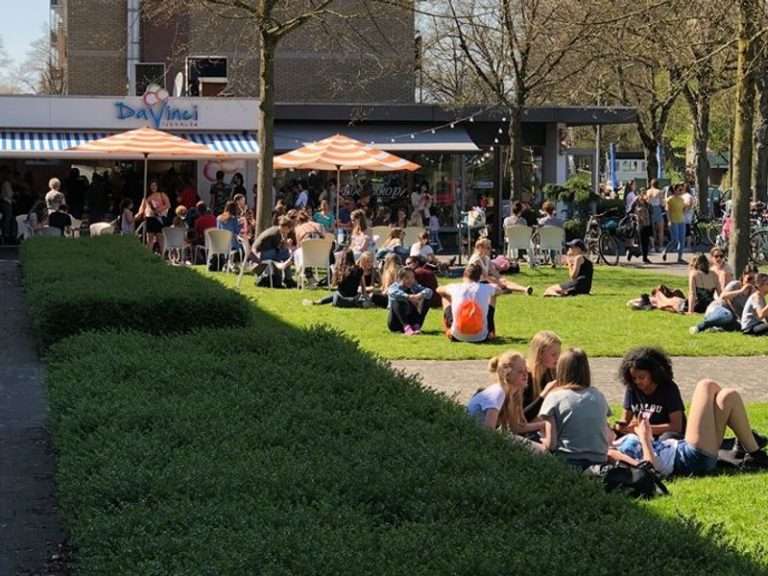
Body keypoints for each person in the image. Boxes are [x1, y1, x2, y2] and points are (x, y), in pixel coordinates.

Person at [612, 379, 768, 476]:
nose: (606, 426)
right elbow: (648, 469)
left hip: (686, 449)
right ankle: (752, 453)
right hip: (689, 458)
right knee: (705, 385)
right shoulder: (611, 451)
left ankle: (755, 455)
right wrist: (644, 436)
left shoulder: (618, 441)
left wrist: (633, 430)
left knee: (728, 396)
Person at [539, 348, 612, 469]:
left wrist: (542, 440)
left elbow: (551, 444)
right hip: (599, 459)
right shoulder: (599, 396)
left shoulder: (554, 397)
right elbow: (606, 433)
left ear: (561, 370)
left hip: (568, 460)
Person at [467, 351, 546, 444]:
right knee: (539, 450)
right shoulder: (498, 393)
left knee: (540, 449)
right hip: (472, 440)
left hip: (478, 438)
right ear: (507, 375)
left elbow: (515, 428)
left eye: (526, 370)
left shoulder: (514, 394)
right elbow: (488, 433)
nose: (525, 374)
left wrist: (543, 424)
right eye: (520, 371)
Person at [614, 347, 686, 438]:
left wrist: (643, 429)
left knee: (667, 437)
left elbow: (676, 427)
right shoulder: (632, 388)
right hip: (642, 434)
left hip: (666, 437)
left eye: (642, 377)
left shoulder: (669, 389)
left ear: (654, 374)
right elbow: (625, 419)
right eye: (634, 378)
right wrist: (621, 427)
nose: (637, 381)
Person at [436, 262, 502, 343]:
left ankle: (450, 328)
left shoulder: (455, 287)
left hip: (457, 336)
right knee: (493, 296)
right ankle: (491, 331)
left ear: (464, 274)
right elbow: (499, 290)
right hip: (481, 337)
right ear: (480, 277)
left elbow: (438, 290)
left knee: (444, 296)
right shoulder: (487, 287)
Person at [690, 266, 758, 334]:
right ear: (743, 276)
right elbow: (723, 296)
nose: (751, 282)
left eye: (754, 280)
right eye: (749, 279)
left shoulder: (754, 293)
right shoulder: (736, 284)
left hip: (732, 318)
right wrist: (741, 291)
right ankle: (700, 326)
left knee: (740, 326)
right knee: (727, 315)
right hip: (718, 309)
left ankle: (715, 327)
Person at [307, 249, 373, 308]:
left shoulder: (339, 270)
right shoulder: (360, 270)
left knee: (337, 293)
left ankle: (319, 301)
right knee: (360, 298)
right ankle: (353, 303)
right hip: (353, 299)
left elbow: (334, 285)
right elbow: (364, 290)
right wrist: (367, 298)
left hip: (339, 299)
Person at [522, 331, 562, 423]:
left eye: (559, 354)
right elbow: (523, 418)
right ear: (539, 354)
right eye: (553, 355)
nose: (558, 358)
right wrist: (544, 394)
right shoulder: (525, 377)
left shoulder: (552, 372)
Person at [386, 267, 433, 335]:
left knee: (426, 298)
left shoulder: (414, 286)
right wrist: (409, 297)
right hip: (396, 323)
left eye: (412, 278)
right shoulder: (394, 287)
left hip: (411, 319)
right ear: (400, 279)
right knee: (396, 300)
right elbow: (392, 292)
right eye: (407, 278)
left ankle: (416, 326)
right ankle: (406, 327)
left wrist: (419, 295)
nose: (410, 280)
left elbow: (429, 291)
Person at [139, 180, 171, 252]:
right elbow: (143, 208)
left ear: (158, 186)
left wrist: (158, 210)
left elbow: (168, 205)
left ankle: (162, 257)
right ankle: (149, 257)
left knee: (160, 238)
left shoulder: (162, 194)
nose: (153, 187)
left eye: (155, 185)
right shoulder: (146, 196)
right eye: (151, 186)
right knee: (149, 239)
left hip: (159, 218)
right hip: (149, 218)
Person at [663, 184, 686, 264]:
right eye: (679, 190)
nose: (681, 191)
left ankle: (679, 258)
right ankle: (665, 251)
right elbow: (667, 211)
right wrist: (669, 221)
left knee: (682, 240)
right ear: (675, 190)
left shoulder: (682, 199)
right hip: (673, 221)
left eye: (682, 190)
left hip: (681, 221)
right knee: (675, 240)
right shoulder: (670, 199)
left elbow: (683, 209)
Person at [633, 190, 653, 264]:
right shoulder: (637, 206)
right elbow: (636, 214)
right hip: (641, 225)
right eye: (641, 198)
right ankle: (642, 257)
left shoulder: (647, 205)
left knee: (646, 242)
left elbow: (651, 210)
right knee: (642, 242)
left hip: (647, 224)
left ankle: (643, 256)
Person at [646, 179, 665, 251]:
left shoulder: (648, 192)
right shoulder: (659, 192)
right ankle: (660, 246)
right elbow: (662, 203)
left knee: (652, 229)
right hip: (657, 209)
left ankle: (653, 247)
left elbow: (647, 201)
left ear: (651, 184)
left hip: (650, 210)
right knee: (660, 229)